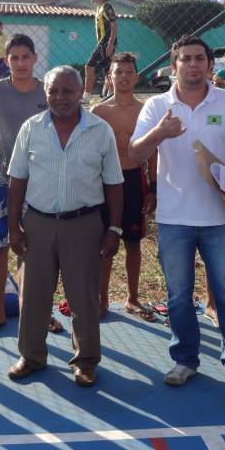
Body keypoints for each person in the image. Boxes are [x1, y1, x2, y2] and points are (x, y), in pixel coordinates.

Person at [129, 35, 225, 392]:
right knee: (178, 296)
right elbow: (135, 153)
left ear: (210, 65)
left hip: (219, 219)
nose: (194, 64)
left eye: (200, 58)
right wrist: (160, 132)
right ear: (174, 66)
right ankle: (185, 360)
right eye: (185, 58)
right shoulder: (157, 106)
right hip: (173, 219)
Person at [6, 66, 124, 387]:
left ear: (80, 93)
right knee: (33, 294)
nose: (61, 98)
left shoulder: (101, 131)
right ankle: (30, 356)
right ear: (45, 94)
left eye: (68, 91)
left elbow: (114, 184)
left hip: (83, 224)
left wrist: (114, 229)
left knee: (83, 295)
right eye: (54, 91)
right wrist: (14, 226)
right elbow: (17, 179)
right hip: (38, 224)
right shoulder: (31, 129)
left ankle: (85, 360)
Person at [0, 34, 64, 336]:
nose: (20, 63)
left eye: (25, 57)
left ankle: (40, 312)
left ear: (35, 58)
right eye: (14, 58)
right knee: (0, 248)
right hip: (4, 183)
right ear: (6, 61)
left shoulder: (47, 92)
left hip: (40, 186)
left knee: (37, 253)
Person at [92, 53, 158, 322]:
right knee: (104, 243)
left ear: (137, 76)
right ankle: (101, 299)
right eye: (118, 72)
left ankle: (132, 298)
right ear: (110, 77)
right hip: (105, 183)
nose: (123, 77)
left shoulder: (146, 110)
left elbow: (153, 153)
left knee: (133, 243)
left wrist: (153, 187)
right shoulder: (98, 112)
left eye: (128, 72)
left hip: (134, 180)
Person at [84, 0, 117, 101]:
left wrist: (110, 43)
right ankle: (112, 94)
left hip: (106, 43)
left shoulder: (107, 6)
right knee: (108, 71)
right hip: (102, 43)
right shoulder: (99, 8)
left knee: (89, 66)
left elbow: (114, 25)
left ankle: (86, 96)